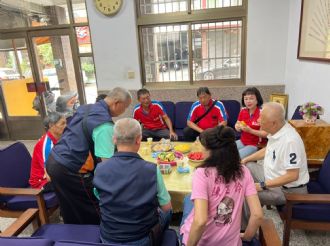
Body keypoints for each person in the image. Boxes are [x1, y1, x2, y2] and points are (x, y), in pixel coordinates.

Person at [46, 87, 132, 225]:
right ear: (116, 103)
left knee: (70, 206)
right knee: (93, 207)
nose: (125, 111)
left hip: (54, 160)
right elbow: (107, 166)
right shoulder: (104, 124)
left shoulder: (85, 108)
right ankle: (95, 237)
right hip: (71, 168)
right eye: (125, 107)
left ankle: (75, 236)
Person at [93, 118, 172, 245]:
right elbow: (166, 207)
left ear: (114, 139)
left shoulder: (99, 169)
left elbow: (99, 197)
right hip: (141, 238)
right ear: (138, 139)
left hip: (108, 237)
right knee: (167, 211)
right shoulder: (151, 170)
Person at [180, 126, 263, 246]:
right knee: (189, 200)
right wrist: (246, 237)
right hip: (230, 243)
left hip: (201, 242)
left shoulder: (202, 173)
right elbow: (257, 215)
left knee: (188, 202)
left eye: (203, 147)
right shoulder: (243, 171)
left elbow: (200, 221)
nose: (201, 151)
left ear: (212, 152)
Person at [241, 102, 309, 224]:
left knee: (247, 195)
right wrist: (245, 159)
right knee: (248, 166)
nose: (258, 120)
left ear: (273, 123)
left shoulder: (290, 141)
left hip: (287, 190)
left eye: (262, 118)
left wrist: (262, 185)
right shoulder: (278, 130)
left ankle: (245, 230)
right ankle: (253, 209)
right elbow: (268, 150)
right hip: (272, 177)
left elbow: (293, 175)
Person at [29, 112, 66, 192]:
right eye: (62, 124)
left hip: (55, 174)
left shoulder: (60, 138)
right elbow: (49, 175)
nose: (66, 126)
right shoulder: (46, 145)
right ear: (51, 125)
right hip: (42, 183)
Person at [235, 87, 267, 159]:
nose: (248, 101)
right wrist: (237, 127)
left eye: (251, 98)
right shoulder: (243, 111)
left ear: (257, 100)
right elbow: (237, 124)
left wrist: (250, 131)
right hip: (243, 141)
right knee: (225, 150)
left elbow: (265, 134)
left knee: (235, 157)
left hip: (256, 145)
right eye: (246, 99)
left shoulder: (262, 113)